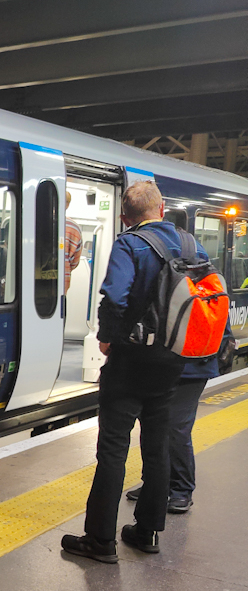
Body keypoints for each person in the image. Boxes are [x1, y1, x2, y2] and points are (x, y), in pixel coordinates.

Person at [61, 181, 209, 562]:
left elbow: (115, 296)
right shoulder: (192, 245)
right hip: (172, 363)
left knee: (113, 449)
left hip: (130, 362)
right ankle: (147, 533)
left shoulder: (129, 244)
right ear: (162, 210)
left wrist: (108, 338)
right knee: (157, 445)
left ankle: (100, 541)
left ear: (125, 217)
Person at [124, 208, 234, 514]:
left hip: (194, 361)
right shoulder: (174, 262)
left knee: (176, 426)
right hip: (168, 358)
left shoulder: (194, 267)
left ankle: (182, 488)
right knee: (153, 423)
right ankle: (155, 482)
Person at [64, 191, 83, 291]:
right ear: (67, 205)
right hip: (61, 285)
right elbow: (75, 261)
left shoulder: (31, 222)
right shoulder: (74, 228)